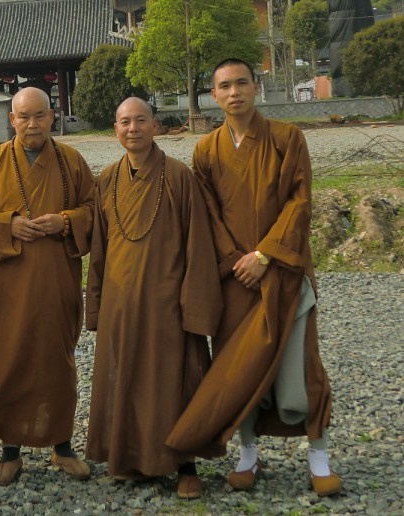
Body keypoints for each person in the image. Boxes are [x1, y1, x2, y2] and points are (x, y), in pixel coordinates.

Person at [166, 58, 342, 497]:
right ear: (214, 94)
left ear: (256, 86)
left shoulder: (287, 138)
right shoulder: (206, 150)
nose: (233, 92)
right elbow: (208, 214)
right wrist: (235, 259)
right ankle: (248, 454)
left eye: (241, 83)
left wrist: (264, 254)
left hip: (282, 270)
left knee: (300, 369)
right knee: (237, 370)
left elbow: (299, 201)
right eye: (223, 86)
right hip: (235, 278)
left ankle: (318, 456)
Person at [84, 97, 223, 498]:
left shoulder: (179, 177)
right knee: (125, 380)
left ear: (155, 126)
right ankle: (130, 458)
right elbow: (99, 250)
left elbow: (198, 246)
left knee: (175, 383)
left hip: (167, 303)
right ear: (115, 130)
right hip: (120, 304)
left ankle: (186, 465)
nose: (133, 129)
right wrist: (97, 305)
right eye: (124, 122)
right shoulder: (107, 179)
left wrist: (194, 307)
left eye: (140, 120)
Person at [0, 87, 96, 485]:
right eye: (23, 117)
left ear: (52, 116)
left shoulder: (72, 161)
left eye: (39, 115)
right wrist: (7, 224)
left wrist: (68, 221)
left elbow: (94, 209)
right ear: (12, 120)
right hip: (12, 283)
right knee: (11, 358)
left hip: (58, 280)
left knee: (58, 359)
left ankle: (62, 445)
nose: (32, 124)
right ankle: (10, 448)